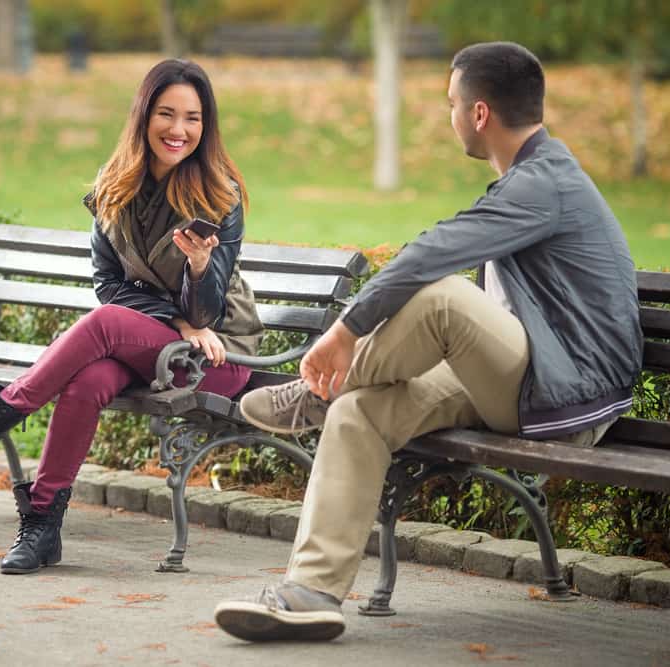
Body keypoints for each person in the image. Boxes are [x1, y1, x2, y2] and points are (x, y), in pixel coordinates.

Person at [213, 41, 643, 642]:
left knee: (443, 296)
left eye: (451, 103)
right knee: (358, 412)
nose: (451, 115)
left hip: (566, 396)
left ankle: (317, 386)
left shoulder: (546, 184)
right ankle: (310, 592)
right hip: (531, 379)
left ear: (480, 113)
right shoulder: (531, 180)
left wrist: (345, 331)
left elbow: (433, 252)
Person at [0, 59, 262, 574]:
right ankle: (42, 528)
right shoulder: (115, 187)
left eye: (193, 118)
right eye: (167, 114)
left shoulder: (219, 194)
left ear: (206, 126)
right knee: (89, 378)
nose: (179, 130)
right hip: (159, 342)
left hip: (215, 355)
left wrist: (200, 268)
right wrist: (175, 320)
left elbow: (206, 314)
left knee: (103, 325)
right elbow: (109, 285)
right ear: (144, 116)